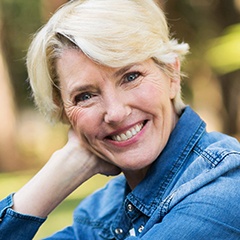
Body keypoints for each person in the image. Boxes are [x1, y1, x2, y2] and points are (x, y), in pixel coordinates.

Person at [0, 0, 240, 239]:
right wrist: (62, 169)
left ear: (172, 74)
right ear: (63, 111)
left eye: (131, 76)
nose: (115, 113)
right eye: (85, 96)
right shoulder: (101, 209)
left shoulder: (224, 190)